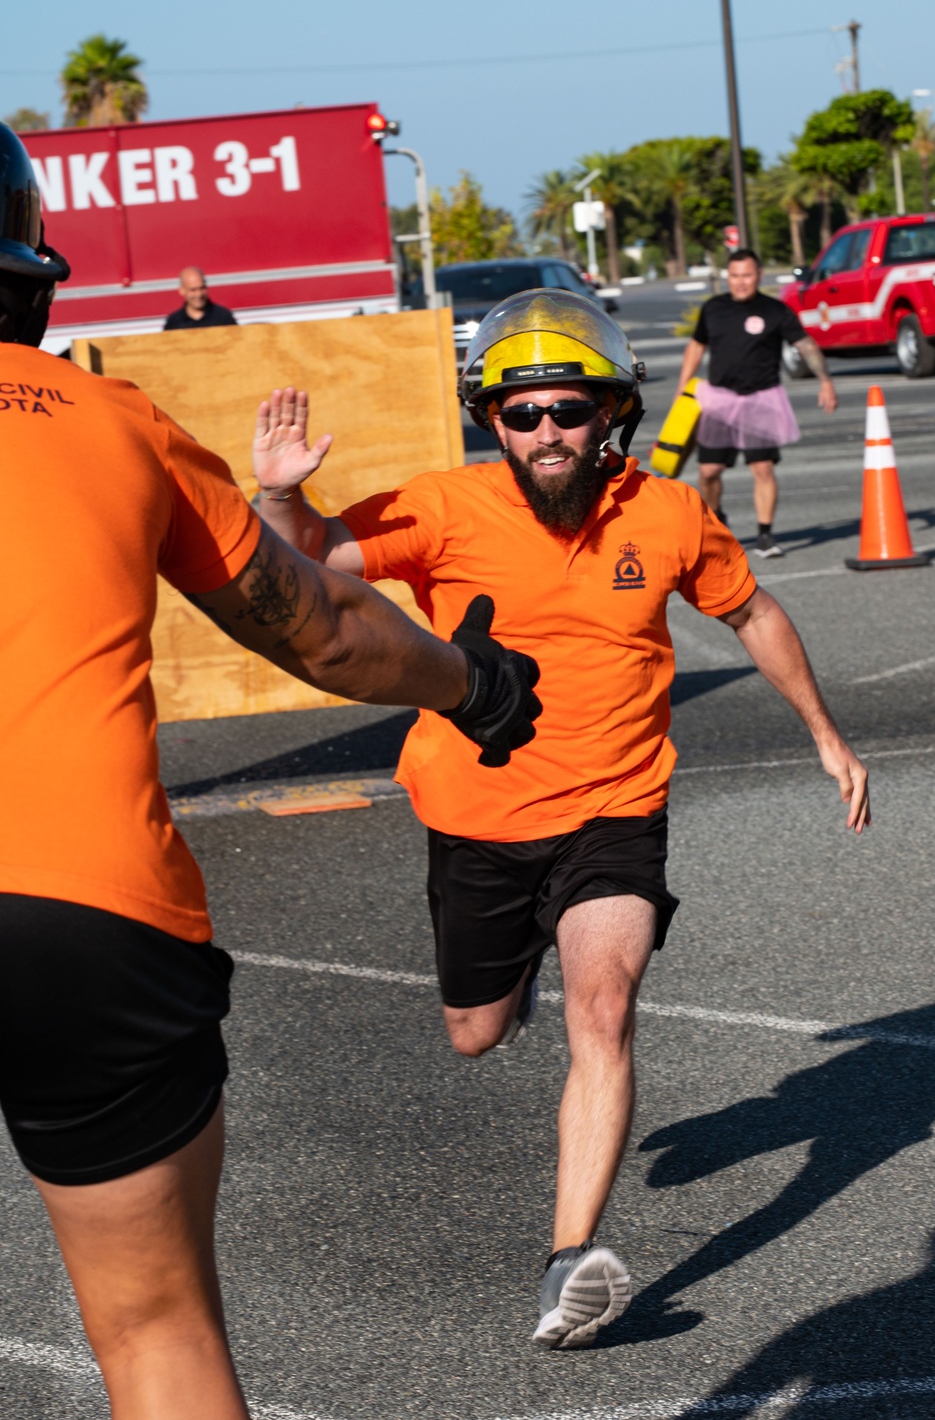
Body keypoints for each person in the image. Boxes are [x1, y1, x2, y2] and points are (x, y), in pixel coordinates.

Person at [0, 123, 539, 1420]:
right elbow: (315, 621)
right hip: (77, 902)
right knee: (155, 1331)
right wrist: (472, 684)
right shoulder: (99, 411)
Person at [252, 288, 870, 1351]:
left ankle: (566, 1263)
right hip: (475, 817)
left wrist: (823, 730)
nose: (545, 432)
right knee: (474, 1033)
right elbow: (308, 571)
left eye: (567, 410)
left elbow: (753, 610)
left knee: (606, 1006)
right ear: (490, 420)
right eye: (520, 412)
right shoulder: (442, 509)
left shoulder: (668, 513)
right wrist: (279, 502)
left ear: (611, 413)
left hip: (613, 813)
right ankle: (513, 974)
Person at [674, 247, 838, 559]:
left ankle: (765, 535)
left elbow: (805, 345)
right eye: (734, 276)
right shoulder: (714, 308)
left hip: (761, 399)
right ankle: (716, 522)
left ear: (759, 276)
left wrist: (826, 381)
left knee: (762, 468)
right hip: (719, 400)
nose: (740, 282)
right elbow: (696, 347)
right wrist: (683, 389)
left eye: (747, 275)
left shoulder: (775, 311)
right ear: (728, 277)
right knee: (709, 471)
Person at [163, 265, 238, 330]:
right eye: (193, 290)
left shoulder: (223, 317)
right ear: (181, 290)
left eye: (202, 288)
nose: (199, 294)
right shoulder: (174, 322)